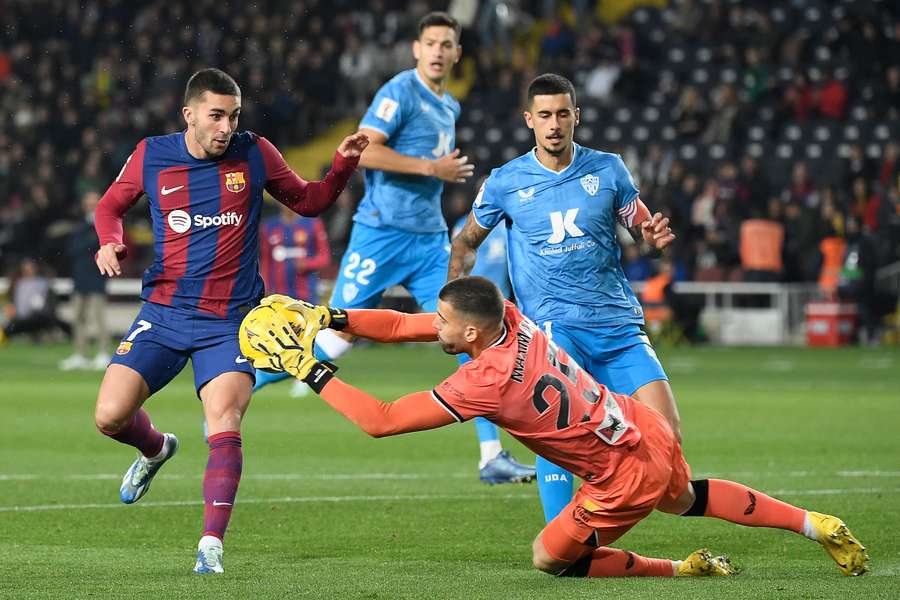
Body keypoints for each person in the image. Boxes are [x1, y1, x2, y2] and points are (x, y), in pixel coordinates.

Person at [239, 277, 869, 579]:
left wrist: (310, 369)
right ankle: (816, 523)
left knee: (550, 559)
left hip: (617, 474)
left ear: (473, 334)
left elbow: (380, 422)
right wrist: (331, 315)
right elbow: (408, 327)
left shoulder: (482, 380)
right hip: (640, 427)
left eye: (445, 322)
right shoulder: (510, 319)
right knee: (686, 496)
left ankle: (679, 570)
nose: (434, 326)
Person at [92, 67, 367, 574]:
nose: (225, 127)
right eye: (216, 115)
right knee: (109, 416)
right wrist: (110, 239)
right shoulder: (152, 154)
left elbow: (310, 201)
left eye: (233, 115)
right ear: (189, 114)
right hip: (165, 313)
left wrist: (343, 166)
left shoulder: (254, 152)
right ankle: (155, 449)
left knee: (225, 423)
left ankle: (210, 547)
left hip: (231, 321)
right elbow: (109, 206)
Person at [293, 11, 527, 482]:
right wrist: (429, 169)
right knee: (334, 336)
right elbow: (361, 151)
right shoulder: (399, 91)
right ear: (416, 49)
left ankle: (491, 457)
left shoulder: (449, 106)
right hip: (380, 235)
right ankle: (246, 378)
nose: (439, 51)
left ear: (457, 53)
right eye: (431, 43)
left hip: (427, 242)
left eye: (447, 44)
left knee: (468, 332)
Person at [448, 73, 680, 522]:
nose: (554, 124)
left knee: (667, 437)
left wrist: (653, 236)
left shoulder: (608, 168)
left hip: (617, 324)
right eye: (544, 116)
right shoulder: (505, 182)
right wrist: (454, 304)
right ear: (528, 120)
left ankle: (606, 509)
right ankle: (564, 539)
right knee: (558, 434)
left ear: (576, 116)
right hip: (554, 331)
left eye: (561, 114)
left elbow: (641, 224)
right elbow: (467, 241)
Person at [451, 210, 535, 484]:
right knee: (495, 385)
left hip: (488, 317)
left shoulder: (467, 225)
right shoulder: (511, 223)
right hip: (482, 318)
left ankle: (491, 455)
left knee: (494, 385)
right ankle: (491, 457)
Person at [254, 204, 331, 397]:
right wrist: (264, 287)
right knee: (278, 336)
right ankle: (276, 372)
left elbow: (324, 257)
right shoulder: (270, 227)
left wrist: (307, 264)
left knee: (306, 335)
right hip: (278, 292)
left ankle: (305, 377)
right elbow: (265, 260)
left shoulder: (312, 225)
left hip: (304, 290)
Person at [60, 190, 110, 371]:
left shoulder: (105, 222)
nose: (91, 205)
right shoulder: (82, 225)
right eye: (88, 202)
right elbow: (72, 250)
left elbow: (101, 247)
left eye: (94, 202)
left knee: (99, 317)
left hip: (97, 276)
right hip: (80, 276)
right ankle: (80, 354)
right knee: (78, 317)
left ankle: (103, 353)